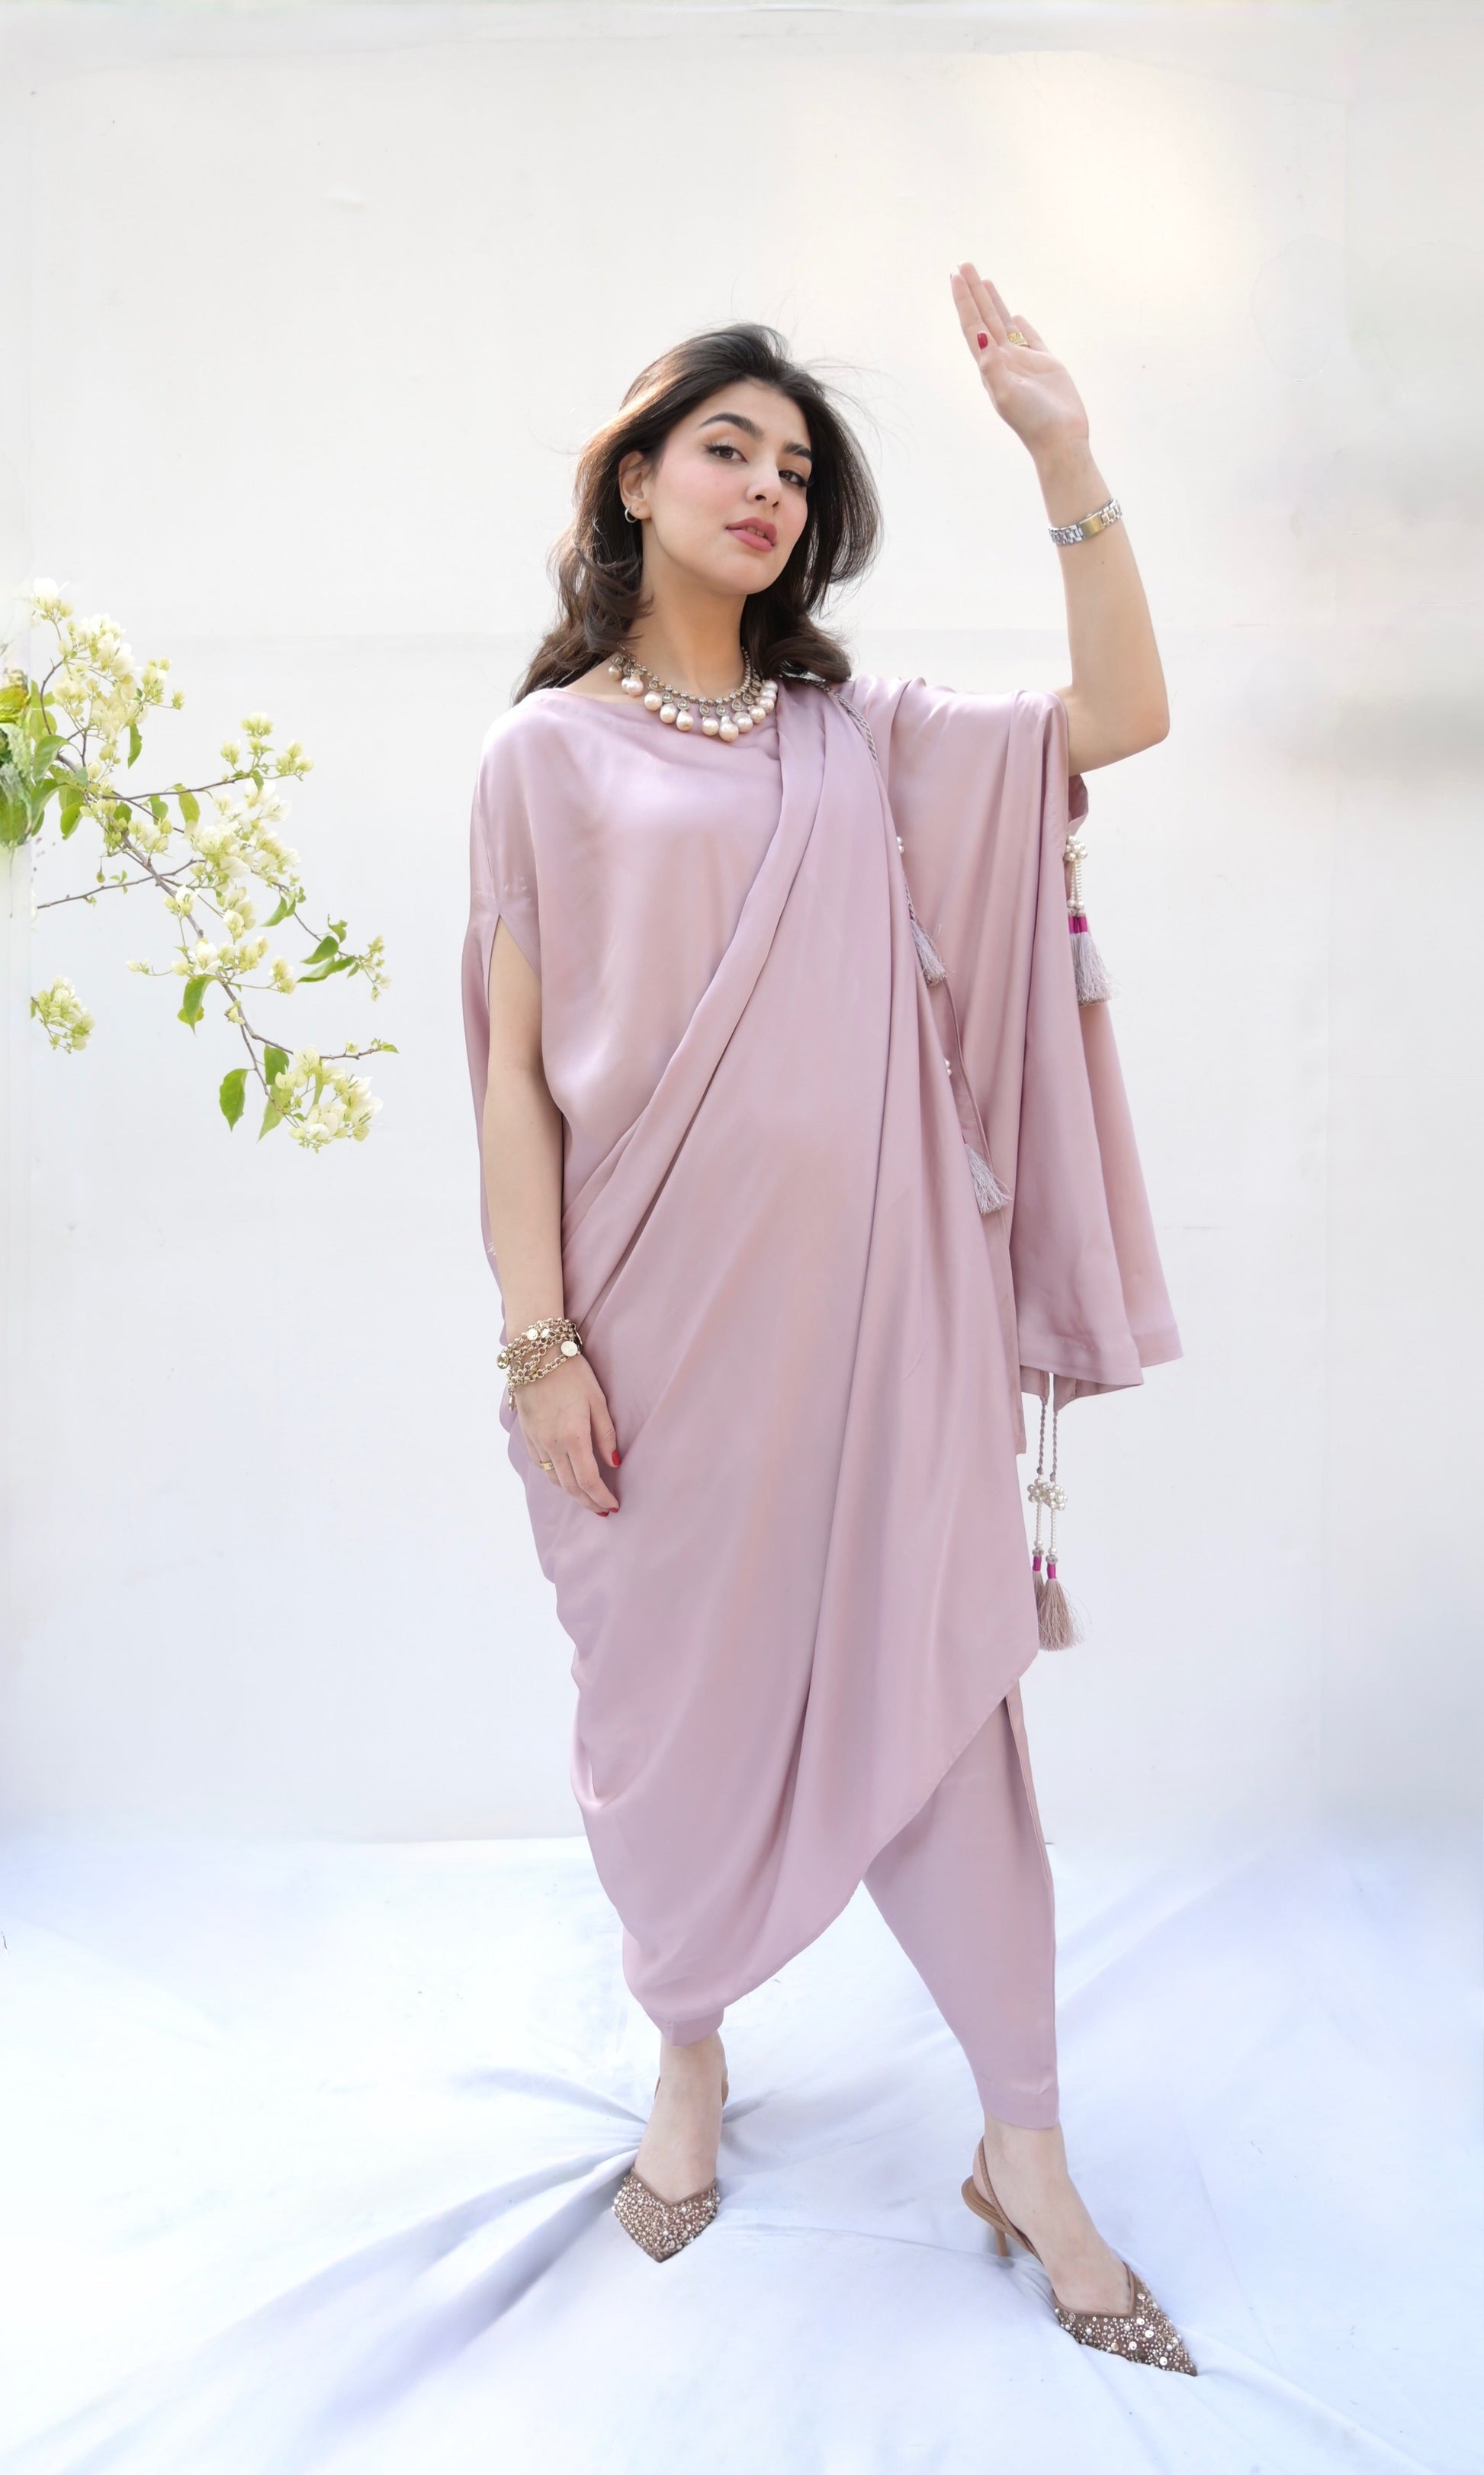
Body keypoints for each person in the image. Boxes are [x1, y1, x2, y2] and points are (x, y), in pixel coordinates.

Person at [461, 266, 1194, 2375]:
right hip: (654, 1338)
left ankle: (1026, 2149)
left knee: (948, 1703)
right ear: (632, 476)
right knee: (663, 1712)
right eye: (726, 447)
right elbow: (512, 1084)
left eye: (795, 467)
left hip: (889, 1329)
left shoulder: (856, 744)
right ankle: (686, 2052)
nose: (766, 487)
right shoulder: (539, 758)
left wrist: (1064, 453)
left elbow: (1121, 718)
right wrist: (540, 1347)